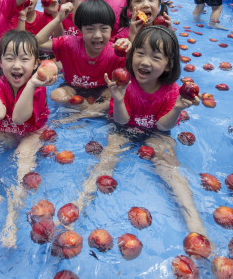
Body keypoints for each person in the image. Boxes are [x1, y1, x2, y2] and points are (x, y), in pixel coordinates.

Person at [73, 26, 207, 240]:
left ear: (168, 65)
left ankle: (195, 224)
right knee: (106, 160)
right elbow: (121, 120)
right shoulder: (124, 84)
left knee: (169, 168)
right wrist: (118, 99)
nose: (145, 62)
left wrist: (178, 107)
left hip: (157, 133)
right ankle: (79, 204)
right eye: (140, 53)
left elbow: (164, 127)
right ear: (132, 55)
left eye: (155, 57)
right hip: (124, 129)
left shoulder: (172, 91)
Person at [0, 30, 57, 248]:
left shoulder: (38, 87)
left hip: (31, 134)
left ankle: (11, 222)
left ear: (35, 64)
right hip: (6, 132)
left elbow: (19, 117)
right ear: (0, 61)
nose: (16, 65)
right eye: (10, 58)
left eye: (24, 59)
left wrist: (32, 84)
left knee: (23, 158)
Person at [35, 0, 129, 111]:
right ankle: (90, 109)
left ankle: (85, 111)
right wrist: (58, 18)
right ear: (80, 30)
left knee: (116, 96)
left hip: (103, 89)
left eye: (104, 28)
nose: (97, 35)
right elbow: (38, 42)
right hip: (72, 88)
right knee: (56, 96)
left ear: (111, 29)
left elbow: (132, 77)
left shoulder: (116, 52)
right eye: (90, 29)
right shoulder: (69, 44)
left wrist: (129, 48)